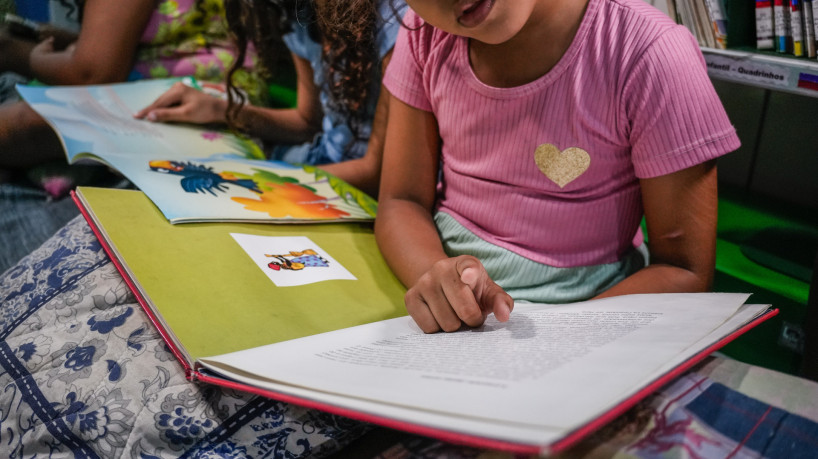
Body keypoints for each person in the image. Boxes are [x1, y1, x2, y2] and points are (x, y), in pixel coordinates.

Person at [375, 0, 741, 333]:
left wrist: (562, 338)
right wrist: (436, 277)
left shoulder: (648, 50)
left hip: (592, 315)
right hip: (437, 301)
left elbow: (684, 271)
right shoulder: (423, 33)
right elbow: (402, 201)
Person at [134, 0, 406, 197]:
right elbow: (307, 122)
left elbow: (377, 172)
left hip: (360, 191)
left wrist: (245, 177)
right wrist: (221, 110)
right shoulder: (298, 12)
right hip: (318, 164)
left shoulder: (394, 20)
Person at [0, 0, 266, 170]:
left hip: (189, 102)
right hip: (236, 93)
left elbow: (89, 73)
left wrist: (24, 56)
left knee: (17, 124)